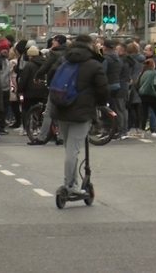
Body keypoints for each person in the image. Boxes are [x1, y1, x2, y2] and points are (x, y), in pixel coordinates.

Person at [49, 34, 109, 195]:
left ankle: (72, 181)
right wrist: (101, 103)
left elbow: (51, 77)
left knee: (68, 147)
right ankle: (70, 184)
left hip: (61, 108)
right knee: (73, 151)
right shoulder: (94, 65)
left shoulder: (63, 60)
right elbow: (103, 89)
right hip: (81, 112)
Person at [30, 34, 68, 145]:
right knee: (62, 111)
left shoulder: (55, 54)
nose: (53, 43)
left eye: (55, 41)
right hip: (68, 85)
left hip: (56, 85)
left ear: (58, 42)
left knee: (48, 112)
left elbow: (46, 67)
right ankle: (61, 136)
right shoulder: (69, 52)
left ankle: (42, 137)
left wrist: (37, 77)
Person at [137, 59, 156, 136]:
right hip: (152, 95)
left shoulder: (143, 73)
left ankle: (143, 131)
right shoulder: (155, 73)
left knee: (144, 113)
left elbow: (138, 83)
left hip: (143, 95)